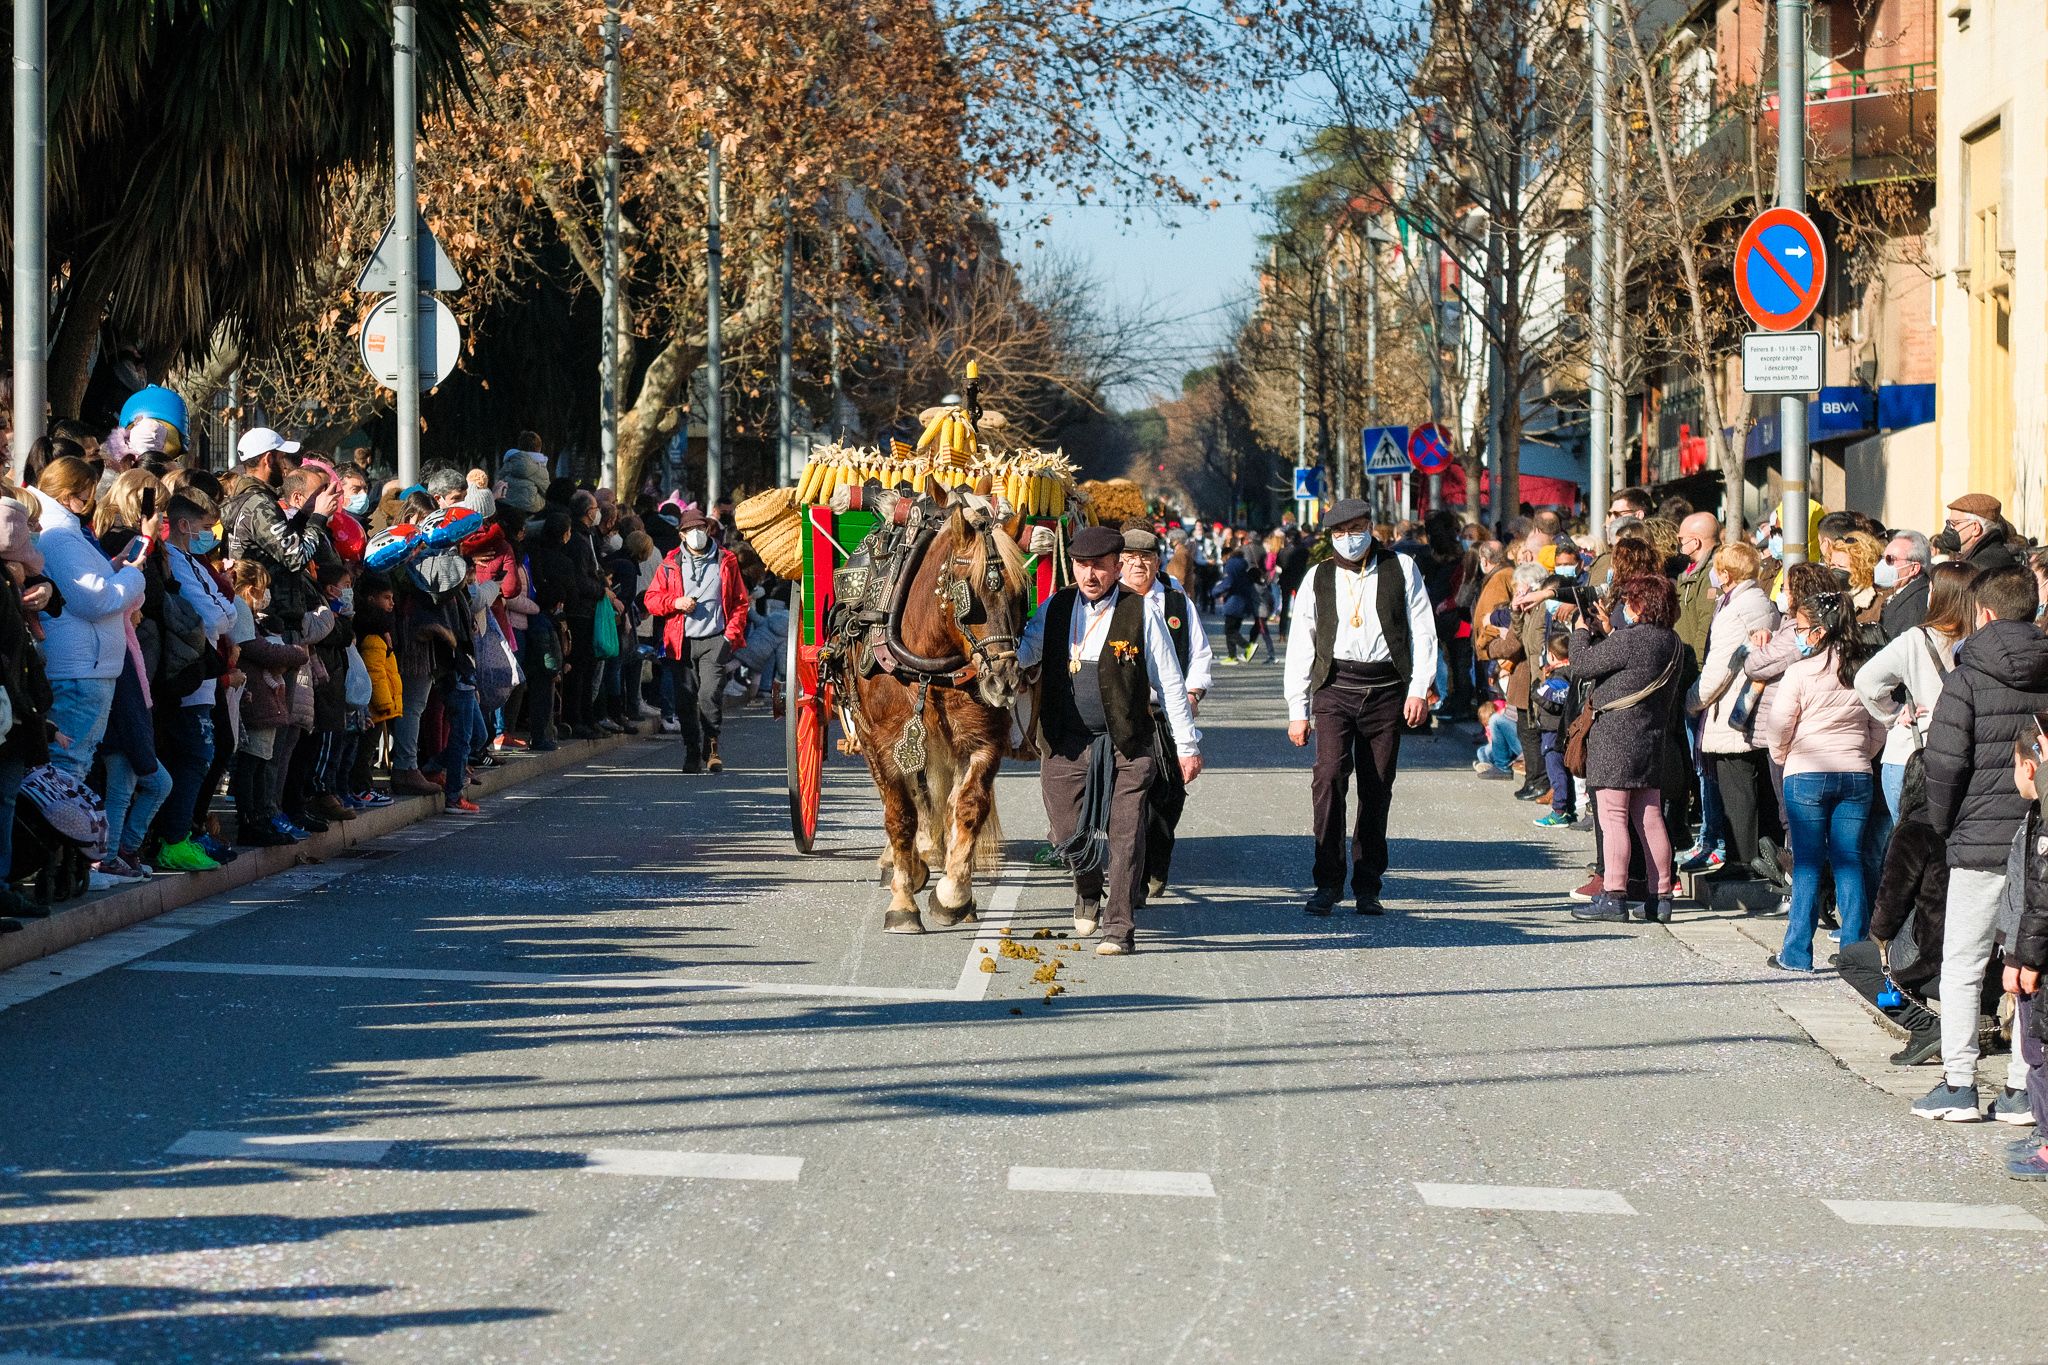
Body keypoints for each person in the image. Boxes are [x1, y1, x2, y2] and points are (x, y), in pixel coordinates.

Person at [1018, 524, 1202, 955]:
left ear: (1117, 568)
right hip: (1066, 742)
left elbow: (1172, 683)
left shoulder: (1142, 612)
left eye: (1099, 567)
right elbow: (1027, 650)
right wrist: (997, 653)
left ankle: (1119, 926)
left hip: (1128, 743)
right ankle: (1086, 888)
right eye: (1082, 566)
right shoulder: (1056, 607)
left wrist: (1188, 747)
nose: (1090, 575)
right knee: (1066, 829)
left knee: (1126, 833)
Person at [1918, 562, 2048, 1122]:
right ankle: (2023, 1087)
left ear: (1985, 612)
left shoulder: (1966, 676)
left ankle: (1959, 1081)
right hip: (2039, 836)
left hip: (1977, 839)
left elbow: (1943, 766)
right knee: (2026, 960)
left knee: (1964, 961)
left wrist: (1945, 827)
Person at [1283, 499, 1440, 916]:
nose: (1348, 538)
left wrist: (1419, 688)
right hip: (1334, 687)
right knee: (1329, 777)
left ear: (1370, 527)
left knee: (1376, 786)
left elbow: (1423, 630)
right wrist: (1298, 709)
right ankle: (1327, 881)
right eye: (1339, 532)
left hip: (1387, 688)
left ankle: (1368, 884)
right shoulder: (1318, 577)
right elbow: (1301, 644)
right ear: (1330, 537)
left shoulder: (1401, 568)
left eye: (1355, 528)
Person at [1764, 589, 1883, 970]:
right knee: (1850, 861)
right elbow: (1880, 722)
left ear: (1817, 632)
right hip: (1855, 774)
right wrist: (1862, 754)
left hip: (1806, 773)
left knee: (1808, 864)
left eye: (1800, 627)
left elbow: (1780, 724)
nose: (1797, 634)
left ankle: (1797, 952)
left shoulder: (1800, 672)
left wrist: (1783, 756)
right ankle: (1855, 954)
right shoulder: (1864, 669)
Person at [1567, 575, 1686, 924]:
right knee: (1649, 816)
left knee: (1613, 816)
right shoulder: (1672, 641)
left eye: (1629, 601)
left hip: (1615, 738)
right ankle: (1660, 895)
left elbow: (1582, 665)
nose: (1624, 606)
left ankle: (1614, 895)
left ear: (1640, 604)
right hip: (1650, 738)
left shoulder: (1633, 640)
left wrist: (1580, 631)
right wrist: (1609, 631)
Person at [33, 457, 146, 782]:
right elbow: (94, 599)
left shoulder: (66, 533)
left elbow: (82, 585)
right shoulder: (60, 536)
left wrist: (114, 567)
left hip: (87, 666)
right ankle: (61, 832)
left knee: (75, 764)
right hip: (80, 670)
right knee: (69, 768)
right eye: (87, 494)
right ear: (69, 493)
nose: (90, 502)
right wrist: (132, 575)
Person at [1119, 525, 1211, 898]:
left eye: (1146, 558)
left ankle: (1158, 859)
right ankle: (1134, 879)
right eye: (1130, 558)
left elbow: (1200, 653)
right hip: (1124, 713)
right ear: (1118, 563)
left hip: (1166, 714)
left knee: (1167, 795)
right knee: (1129, 798)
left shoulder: (1175, 600)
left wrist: (1193, 693)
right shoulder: (1111, 602)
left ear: (1158, 562)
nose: (1138, 565)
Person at [1856, 560, 1973, 821]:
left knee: (1910, 848)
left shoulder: (1915, 639)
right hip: (1964, 756)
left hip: (1911, 754)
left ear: (1938, 596)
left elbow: (1866, 681)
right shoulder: (1982, 639)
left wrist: (1892, 714)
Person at [1691, 541, 1779, 880]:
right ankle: (1760, 861)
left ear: (1725, 574)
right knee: (1755, 793)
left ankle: (1742, 865)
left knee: (1737, 793)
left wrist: (1691, 701)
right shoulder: (1758, 599)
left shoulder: (1736, 609)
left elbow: (1719, 670)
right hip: (1751, 708)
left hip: (1732, 710)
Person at [643, 510, 748, 773]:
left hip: (715, 638)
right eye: (691, 530)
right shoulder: (670, 563)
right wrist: (675, 603)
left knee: (709, 693)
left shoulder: (727, 560)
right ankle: (692, 750)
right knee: (685, 699)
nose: (697, 534)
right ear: (682, 535)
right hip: (681, 640)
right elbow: (652, 600)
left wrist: (729, 636)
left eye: (701, 528)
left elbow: (739, 602)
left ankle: (711, 745)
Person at [1877, 531, 1933, 640]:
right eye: (1882, 558)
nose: (1883, 564)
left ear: (1914, 568)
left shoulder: (1918, 602)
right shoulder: (1901, 592)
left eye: (1890, 559)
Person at [1945, 493, 2020, 574]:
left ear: (1976, 528)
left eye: (1955, 523)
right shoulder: (1987, 556)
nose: (1950, 528)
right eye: (1948, 523)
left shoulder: (1978, 568)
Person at [1215, 535, 1262, 663]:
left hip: (1234, 601)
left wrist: (1215, 592)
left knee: (1229, 630)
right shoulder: (1242, 563)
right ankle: (1232, 656)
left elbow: (1228, 582)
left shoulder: (1232, 565)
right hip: (1241, 601)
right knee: (1232, 629)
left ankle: (1247, 646)